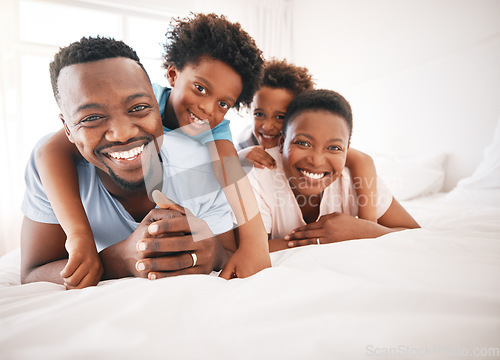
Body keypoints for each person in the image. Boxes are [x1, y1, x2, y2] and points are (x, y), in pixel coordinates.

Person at [34, 13, 271, 288]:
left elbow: (232, 174)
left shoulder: (214, 130)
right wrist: (79, 235)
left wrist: (255, 245)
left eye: (224, 104)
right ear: (172, 75)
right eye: (200, 88)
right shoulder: (141, 100)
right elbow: (49, 151)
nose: (208, 108)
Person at [247, 89, 420, 252]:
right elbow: (247, 250)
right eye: (303, 143)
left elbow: (416, 234)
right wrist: (322, 239)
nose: (316, 160)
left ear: (347, 149)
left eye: (334, 148)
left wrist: (366, 231)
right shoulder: (258, 174)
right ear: (282, 142)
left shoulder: (356, 179)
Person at [237, 59, 379, 221]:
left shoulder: (324, 149)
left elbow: (363, 161)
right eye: (259, 114)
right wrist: (238, 157)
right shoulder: (246, 141)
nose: (267, 126)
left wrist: (368, 224)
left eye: (280, 117)